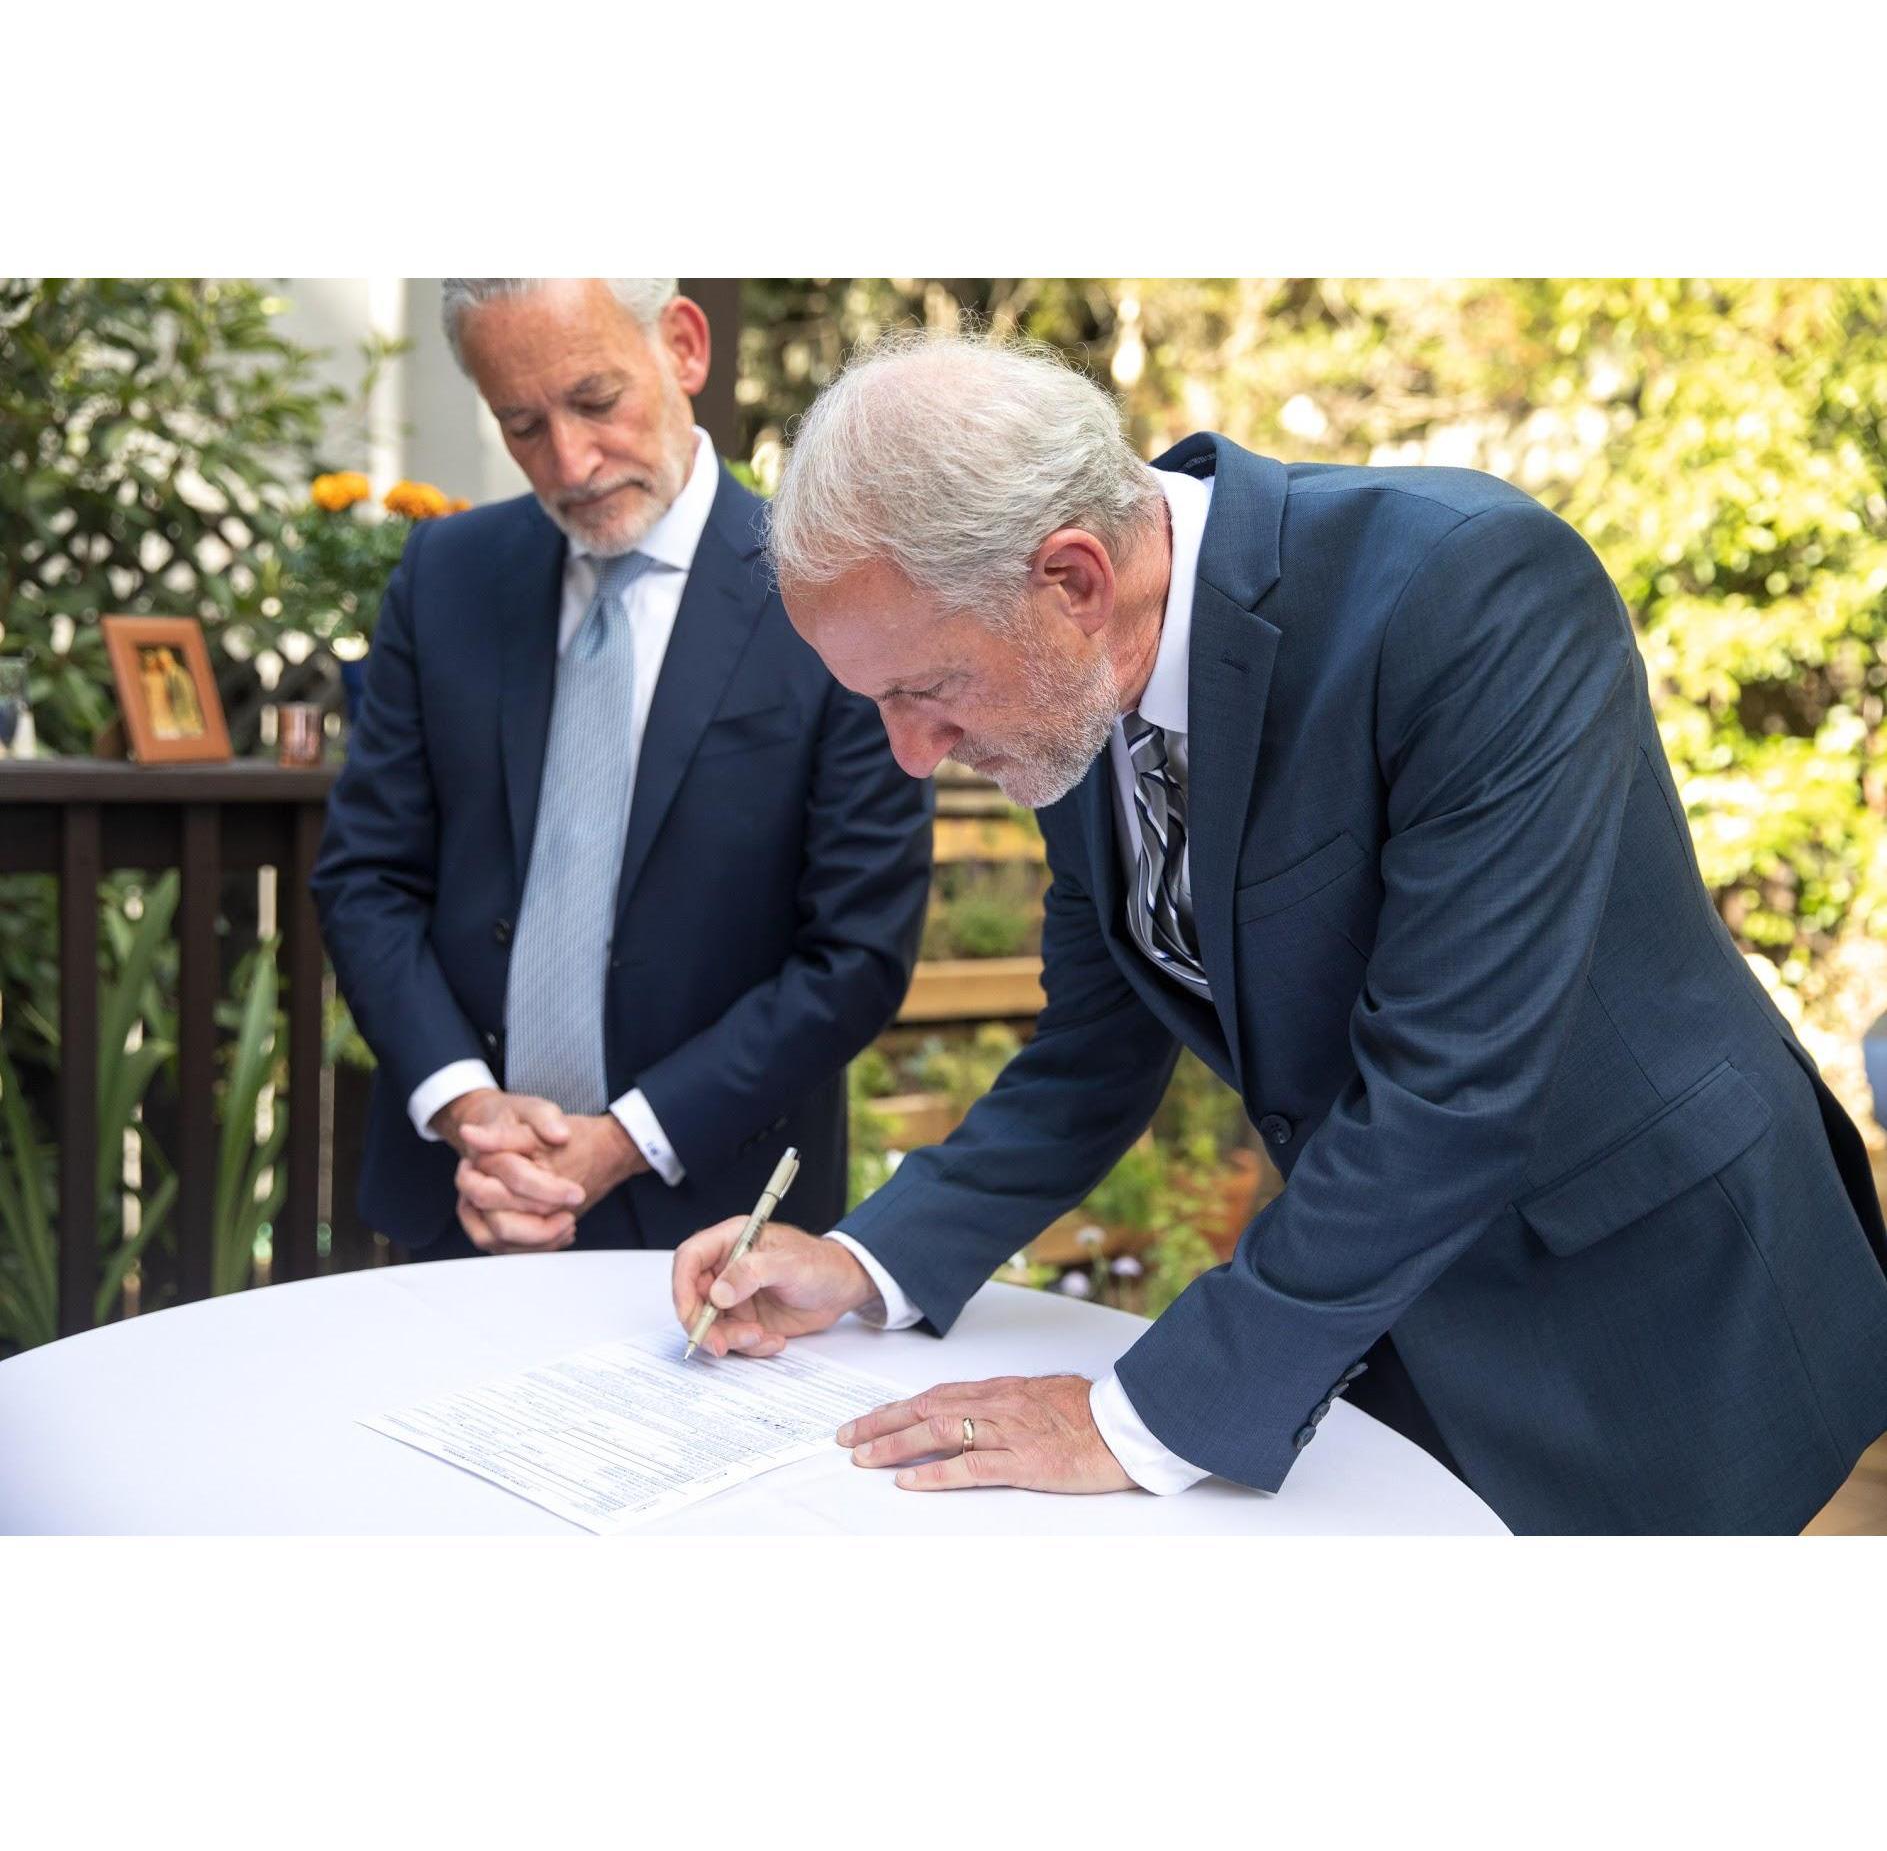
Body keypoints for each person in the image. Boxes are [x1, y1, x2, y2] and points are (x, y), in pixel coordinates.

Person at [672, 330, 1887, 1535]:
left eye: (923, 691)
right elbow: (1091, 1059)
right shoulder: (1067, 691)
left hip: (1651, 1306)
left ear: (1074, 581)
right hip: (1387, 1312)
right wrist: (865, 1264)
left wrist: (1129, 1418)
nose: (912, 756)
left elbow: (1449, 1092)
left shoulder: (1472, 593)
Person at [313, 280, 931, 1259]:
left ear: (683, 346)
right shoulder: (443, 577)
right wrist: (468, 1111)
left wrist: (626, 1140)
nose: (569, 461)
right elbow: (366, 877)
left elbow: (854, 951)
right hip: (461, 1199)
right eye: (521, 425)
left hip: (720, 1228)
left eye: (596, 401)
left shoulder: (830, 591)